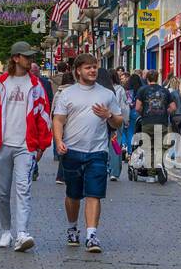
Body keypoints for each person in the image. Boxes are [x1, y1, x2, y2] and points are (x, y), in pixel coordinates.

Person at [0, 41, 52, 252]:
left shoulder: (36, 85)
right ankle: (6, 230)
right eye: (26, 56)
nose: (30, 60)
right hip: (0, 144)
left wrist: (41, 145)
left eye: (31, 57)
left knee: (23, 189)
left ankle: (22, 233)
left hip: (25, 146)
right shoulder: (1, 83)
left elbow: (43, 115)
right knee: (2, 193)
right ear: (16, 58)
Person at [53, 53, 126, 254]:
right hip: (72, 151)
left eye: (94, 67)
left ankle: (91, 235)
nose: (93, 70)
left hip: (98, 151)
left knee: (94, 194)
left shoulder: (106, 94)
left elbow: (119, 121)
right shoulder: (67, 94)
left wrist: (109, 115)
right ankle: (72, 228)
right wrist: (59, 142)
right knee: (73, 195)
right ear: (78, 71)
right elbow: (58, 120)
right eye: (88, 67)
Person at [132, 70, 175, 172]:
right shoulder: (165, 91)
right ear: (157, 78)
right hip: (162, 122)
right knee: (161, 145)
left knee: (149, 147)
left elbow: (137, 107)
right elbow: (173, 107)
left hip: (147, 122)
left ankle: (152, 174)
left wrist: (144, 114)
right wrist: (165, 112)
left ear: (147, 79)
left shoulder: (142, 90)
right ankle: (159, 163)